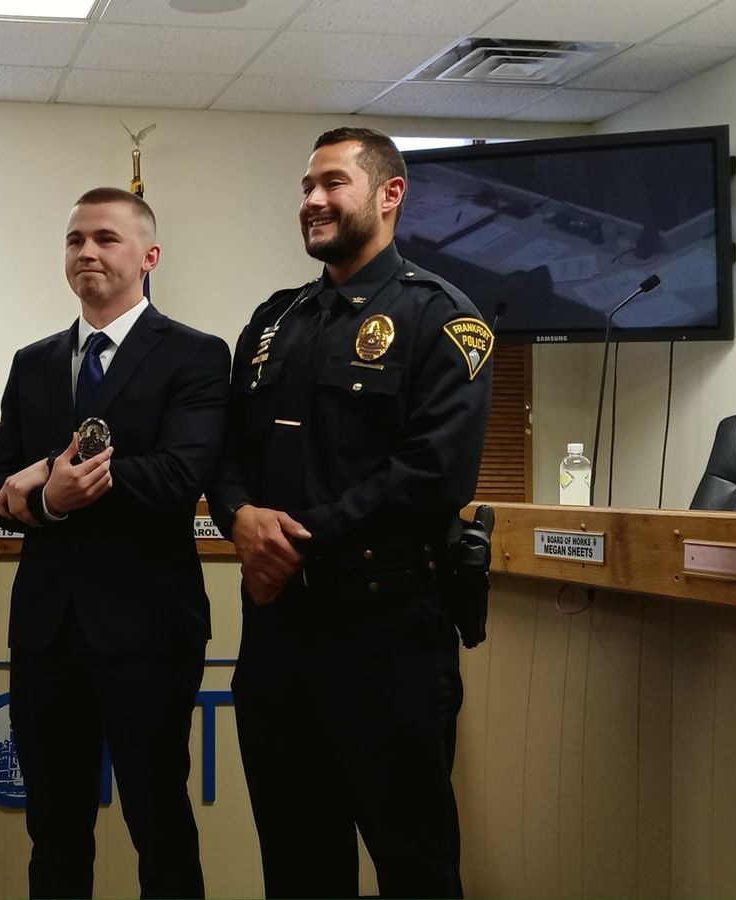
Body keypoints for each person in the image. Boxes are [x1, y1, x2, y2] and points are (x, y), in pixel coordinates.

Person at [211, 127, 495, 899]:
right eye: (307, 186)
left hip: (388, 636)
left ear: (389, 194)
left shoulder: (443, 320)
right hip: (277, 638)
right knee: (298, 865)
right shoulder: (273, 323)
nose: (312, 201)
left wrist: (296, 539)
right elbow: (226, 453)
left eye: (332, 183)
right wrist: (239, 515)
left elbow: (434, 473)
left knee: (415, 865)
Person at [0, 187, 230, 899]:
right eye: (74, 240)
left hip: (148, 631)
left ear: (148, 256)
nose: (86, 251)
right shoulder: (34, 362)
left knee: (159, 824)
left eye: (106, 238)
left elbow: (182, 475)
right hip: (48, 633)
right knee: (54, 833)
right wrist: (44, 502)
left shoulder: (195, 355)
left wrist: (61, 485)